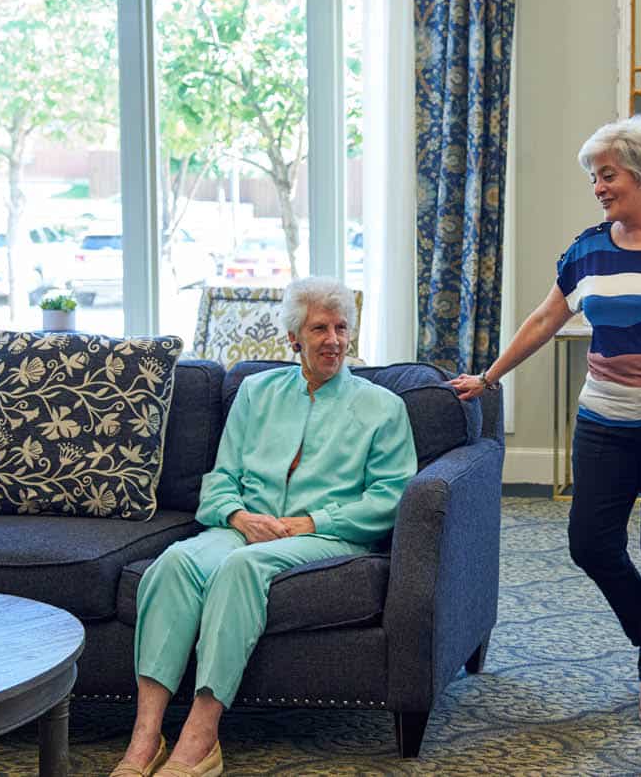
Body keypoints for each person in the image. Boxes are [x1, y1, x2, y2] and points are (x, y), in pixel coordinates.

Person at [450, 114, 641, 726]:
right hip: (606, 419)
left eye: (606, 175)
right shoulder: (587, 250)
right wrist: (489, 376)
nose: (598, 188)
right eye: (594, 177)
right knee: (589, 543)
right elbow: (543, 319)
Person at [109, 278, 418, 777]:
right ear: (294, 337)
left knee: (241, 569)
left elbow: (390, 498)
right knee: (175, 563)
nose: (333, 340)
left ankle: (201, 734)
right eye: (319, 328)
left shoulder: (383, 408)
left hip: (327, 536)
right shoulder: (257, 393)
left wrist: (312, 521)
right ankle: (145, 736)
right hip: (245, 527)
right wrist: (237, 516)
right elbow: (222, 476)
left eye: (341, 328)